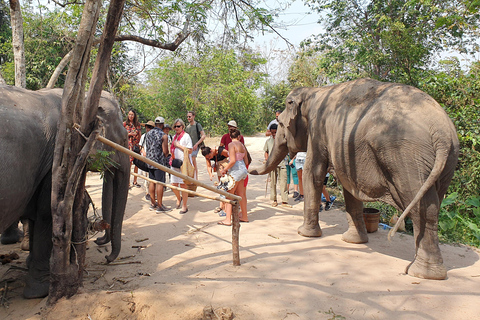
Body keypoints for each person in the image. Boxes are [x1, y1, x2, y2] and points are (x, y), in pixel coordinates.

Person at [218, 129, 249, 225]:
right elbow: (246, 161)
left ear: (230, 137)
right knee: (241, 195)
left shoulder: (231, 145)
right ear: (239, 137)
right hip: (243, 170)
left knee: (229, 195)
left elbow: (232, 161)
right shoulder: (242, 146)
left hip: (236, 171)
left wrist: (224, 169)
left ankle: (227, 219)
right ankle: (244, 216)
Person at [144, 116, 170, 213]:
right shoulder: (164, 135)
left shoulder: (148, 134)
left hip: (150, 161)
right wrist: (167, 156)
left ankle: (152, 203)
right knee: (160, 183)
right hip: (159, 162)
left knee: (152, 181)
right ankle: (159, 205)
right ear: (162, 125)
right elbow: (165, 151)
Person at [264, 124, 290, 207]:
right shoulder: (268, 141)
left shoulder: (283, 140)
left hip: (282, 164)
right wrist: (267, 160)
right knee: (273, 183)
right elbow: (266, 152)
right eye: (272, 132)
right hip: (272, 165)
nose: (274, 134)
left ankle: (284, 201)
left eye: (275, 132)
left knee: (283, 182)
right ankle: (274, 200)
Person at [170, 119, 193, 214]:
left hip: (183, 164)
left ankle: (185, 205)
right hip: (174, 162)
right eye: (175, 126)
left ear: (182, 126)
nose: (176, 128)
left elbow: (190, 150)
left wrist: (179, 146)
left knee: (183, 185)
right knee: (173, 184)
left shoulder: (186, 136)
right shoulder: (174, 137)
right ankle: (179, 198)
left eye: (178, 126)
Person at [201, 145, 230, 216]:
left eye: (209, 156)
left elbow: (231, 157)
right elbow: (208, 166)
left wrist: (227, 168)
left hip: (227, 165)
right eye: (207, 158)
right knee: (222, 186)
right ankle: (222, 206)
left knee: (228, 186)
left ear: (211, 151)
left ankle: (229, 206)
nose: (209, 158)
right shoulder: (207, 156)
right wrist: (210, 174)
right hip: (219, 166)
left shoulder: (221, 150)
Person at [185, 111, 206, 180]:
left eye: (190, 116)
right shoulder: (187, 127)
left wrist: (197, 144)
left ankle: (194, 178)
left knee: (193, 160)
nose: (188, 118)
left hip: (195, 147)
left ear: (193, 116)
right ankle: (194, 178)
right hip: (189, 147)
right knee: (192, 162)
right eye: (187, 117)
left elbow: (203, 136)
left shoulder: (197, 125)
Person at [123, 109, 141, 188]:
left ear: (134, 116)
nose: (130, 116)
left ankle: (135, 181)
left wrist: (140, 145)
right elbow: (121, 135)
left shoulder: (137, 124)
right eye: (129, 114)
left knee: (136, 164)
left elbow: (139, 134)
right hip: (128, 146)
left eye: (132, 114)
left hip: (135, 145)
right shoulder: (124, 124)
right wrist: (129, 134)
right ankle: (128, 183)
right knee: (129, 164)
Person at [139, 120, 155, 201]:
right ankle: (147, 192)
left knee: (151, 176)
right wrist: (143, 152)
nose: (148, 129)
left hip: (152, 159)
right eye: (147, 127)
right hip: (145, 158)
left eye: (150, 127)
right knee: (146, 176)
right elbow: (140, 146)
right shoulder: (143, 136)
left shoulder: (154, 137)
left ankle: (152, 192)